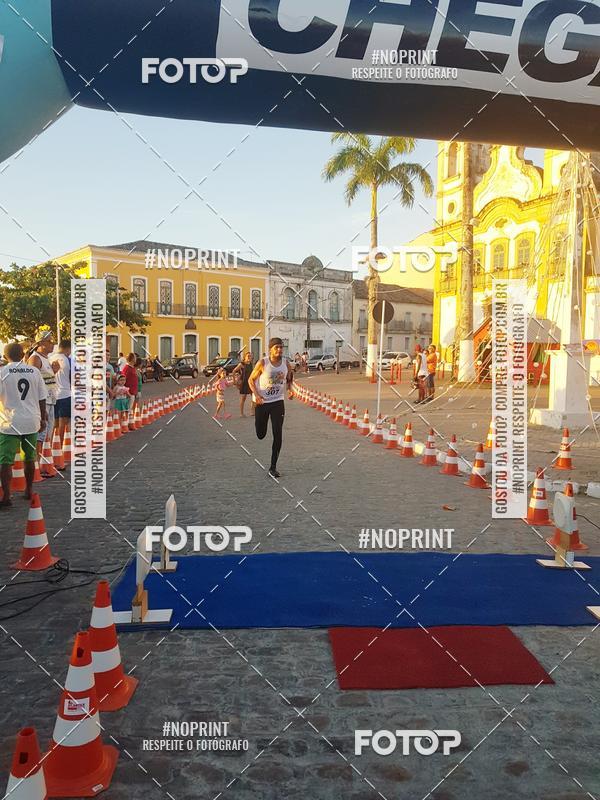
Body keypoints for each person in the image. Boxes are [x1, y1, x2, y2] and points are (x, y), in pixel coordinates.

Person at [0, 342, 48, 507]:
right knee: (29, 457)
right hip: (31, 421)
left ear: (6, 357)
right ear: (22, 355)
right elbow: (42, 397)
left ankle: (6, 495)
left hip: (9, 422)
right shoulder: (34, 371)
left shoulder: (3, 372)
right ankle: (28, 489)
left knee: (5, 460)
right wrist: (43, 418)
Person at [248, 337, 294, 479]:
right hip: (262, 403)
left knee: (278, 433)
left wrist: (290, 389)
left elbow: (290, 377)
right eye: (276, 348)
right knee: (261, 434)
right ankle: (259, 424)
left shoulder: (286, 363)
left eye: (281, 347)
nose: (279, 350)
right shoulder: (263, 363)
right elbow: (250, 380)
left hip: (277, 402)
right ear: (270, 350)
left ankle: (273, 467)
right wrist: (257, 395)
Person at [27, 331, 59, 459]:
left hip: (50, 400)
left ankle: (43, 462)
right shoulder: (35, 359)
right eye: (50, 341)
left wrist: (54, 372)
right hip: (42, 402)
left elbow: (45, 381)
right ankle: (36, 463)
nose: (53, 344)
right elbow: (32, 382)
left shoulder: (46, 359)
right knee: (41, 433)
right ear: (40, 343)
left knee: (48, 433)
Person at [50, 339, 71, 448]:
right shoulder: (67, 359)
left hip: (54, 394)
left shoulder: (50, 358)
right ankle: (60, 445)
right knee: (64, 421)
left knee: (55, 422)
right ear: (68, 349)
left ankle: (53, 444)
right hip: (65, 393)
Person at [232, 352, 254, 417]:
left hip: (250, 382)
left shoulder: (251, 364)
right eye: (248, 356)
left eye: (250, 356)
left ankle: (252, 411)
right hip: (244, 383)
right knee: (243, 398)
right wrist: (234, 381)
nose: (250, 357)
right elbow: (234, 371)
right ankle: (241, 413)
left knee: (254, 397)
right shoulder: (242, 364)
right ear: (245, 357)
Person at [121, 353, 138, 429]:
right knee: (126, 409)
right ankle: (124, 424)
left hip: (133, 392)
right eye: (135, 357)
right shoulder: (127, 368)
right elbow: (123, 380)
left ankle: (127, 423)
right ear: (132, 359)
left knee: (129, 408)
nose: (136, 359)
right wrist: (126, 391)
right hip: (128, 392)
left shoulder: (132, 368)